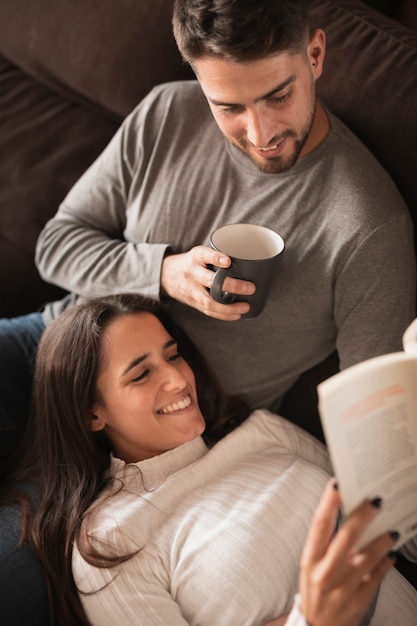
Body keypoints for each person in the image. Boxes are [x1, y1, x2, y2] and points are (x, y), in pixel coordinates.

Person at [0, 0, 415, 467]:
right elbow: (56, 246)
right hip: (50, 347)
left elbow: (374, 423)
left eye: (278, 96)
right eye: (229, 107)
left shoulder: (368, 228)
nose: (261, 134)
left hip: (156, 447)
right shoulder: (166, 113)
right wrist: (164, 273)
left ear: (315, 56)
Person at [2, 293, 417, 626]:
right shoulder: (110, 543)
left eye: (173, 354)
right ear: (91, 413)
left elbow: (401, 529)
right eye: (141, 374)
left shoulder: (264, 432)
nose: (178, 378)